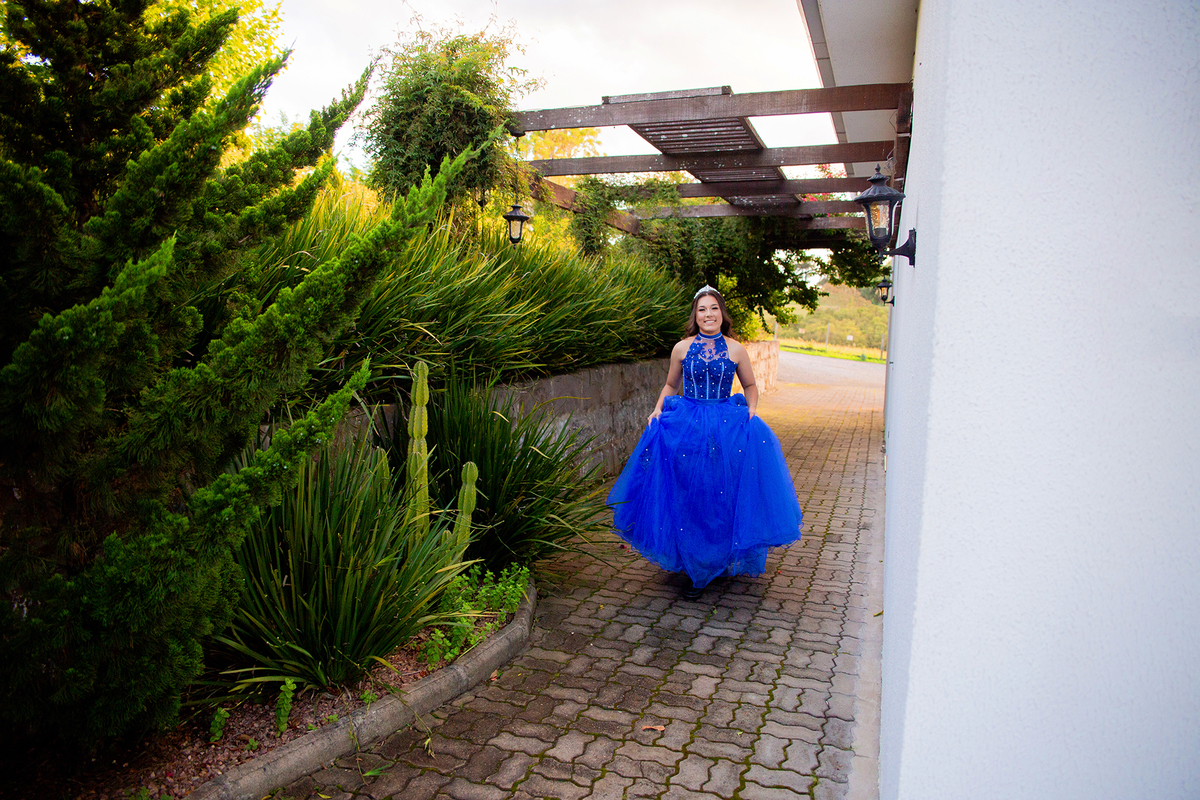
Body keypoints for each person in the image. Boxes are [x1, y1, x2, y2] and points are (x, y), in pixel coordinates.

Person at [607, 286, 804, 601]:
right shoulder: (681, 348)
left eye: (713, 308)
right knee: (690, 493)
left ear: (722, 313)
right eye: (702, 309)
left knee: (720, 494)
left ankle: (716, 558)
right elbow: (671, 384)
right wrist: (658, 409)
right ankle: (694, 561)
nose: (708, 314)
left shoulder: (736, 349)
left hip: (725, 427)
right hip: (687, 426)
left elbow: (751, 385)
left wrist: (752, 408)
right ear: (695, 315)